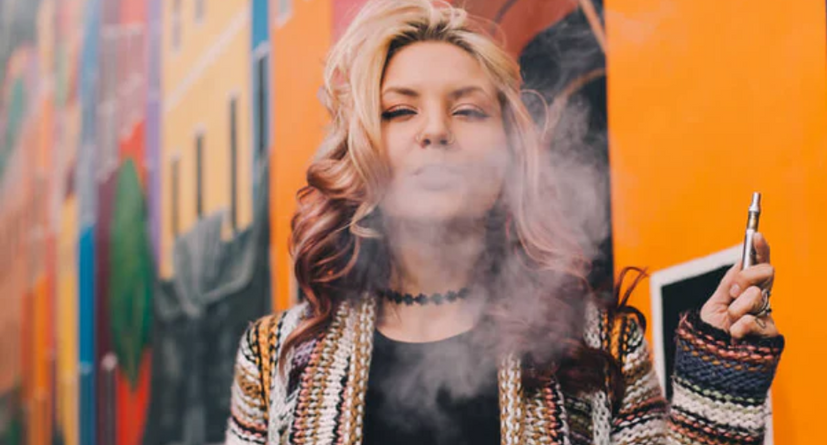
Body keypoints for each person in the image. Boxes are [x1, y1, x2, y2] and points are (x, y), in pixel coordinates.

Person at [226, 1, 783, 444]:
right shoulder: (275, 355)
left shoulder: (599, 349)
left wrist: (718, 378)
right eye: (399, 111)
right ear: (361, 150)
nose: (436, 130)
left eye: (467, 110)